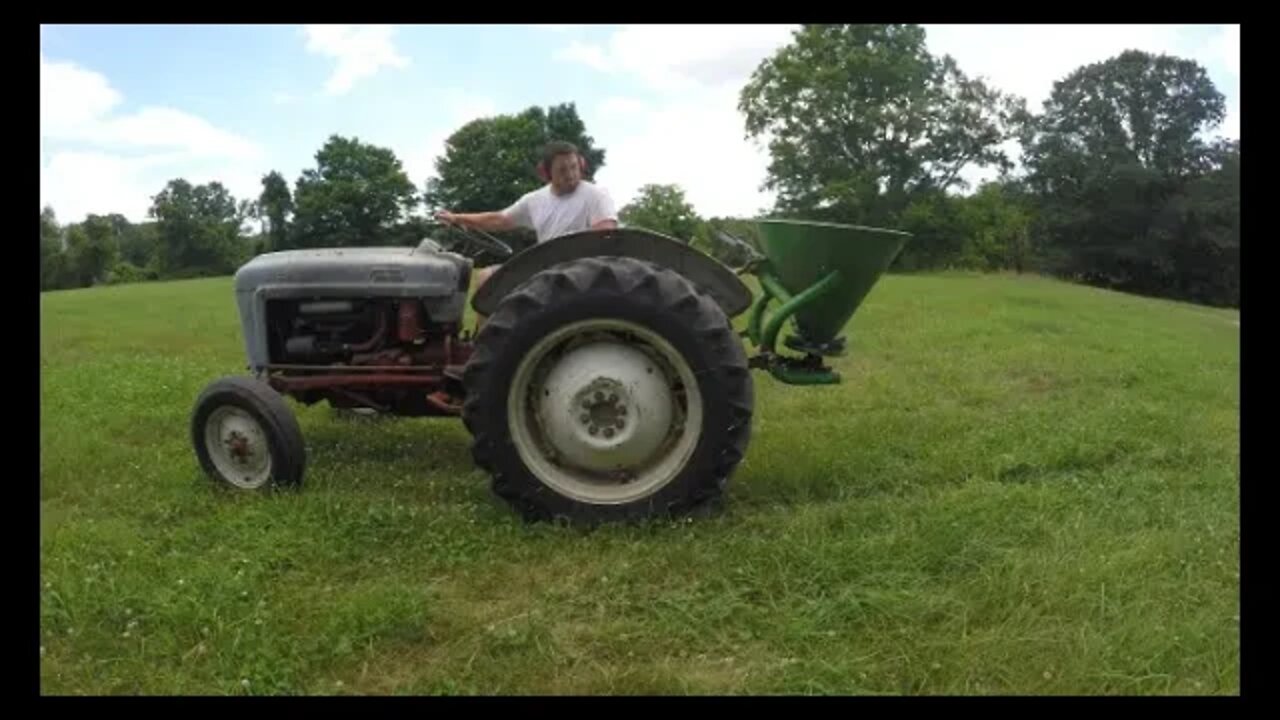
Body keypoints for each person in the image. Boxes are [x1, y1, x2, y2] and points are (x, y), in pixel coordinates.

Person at [436, 140, 618, 290]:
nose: (571, 175)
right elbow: (499, 219)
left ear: (581, 164)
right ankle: (487, 334)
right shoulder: (534, 201)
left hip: (582, 272)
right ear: (545, 173)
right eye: (562, 170)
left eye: (574, 167)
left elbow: (603, 238)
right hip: (546, 269)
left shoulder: (596, 195)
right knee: (485, 278)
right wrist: (456, 218)